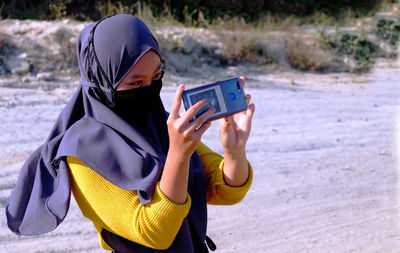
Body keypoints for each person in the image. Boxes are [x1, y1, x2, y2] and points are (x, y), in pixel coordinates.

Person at [5, 14, 255, 252]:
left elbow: (225, 191)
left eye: (156, 76)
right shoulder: (81, 151)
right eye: (136, 82)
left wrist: (235, 153)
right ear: (103, 82)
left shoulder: (164, 125)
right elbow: (155, 233)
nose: (149, 88)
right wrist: (178, 155)